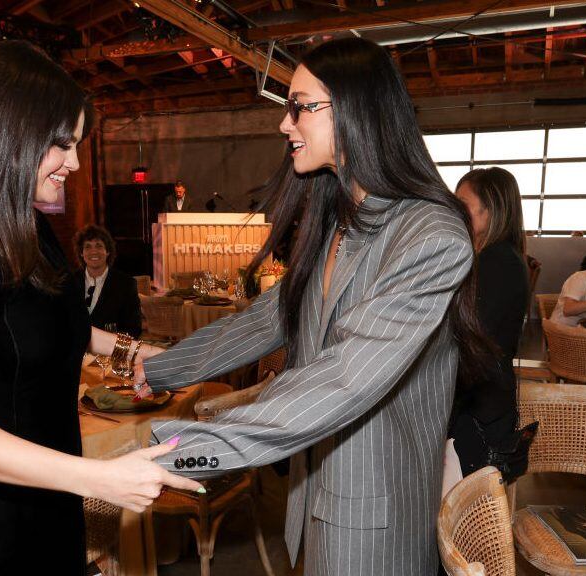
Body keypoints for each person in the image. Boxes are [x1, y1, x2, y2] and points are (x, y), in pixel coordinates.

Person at [134, 37, 492, 575]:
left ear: (353, 111)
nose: (286, 123)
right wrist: (158, 371)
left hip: (375, 513)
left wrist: (186, 451)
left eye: (300, 106)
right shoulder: (342, 220)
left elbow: (345, 377)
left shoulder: (430, 235)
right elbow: (264, 321)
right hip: (320, 488)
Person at [0, 41, 201, 575]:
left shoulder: (27, 223)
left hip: (46, 489)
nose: (75, 162)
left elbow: (59, 328)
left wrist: (137, 352)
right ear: (4, 132)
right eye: (60, 143)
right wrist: (99, 478)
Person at [444, 167, 529, 491]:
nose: (456, 211)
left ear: (490, 209)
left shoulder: (499, 262)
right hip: (480, 403)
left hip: (479, 412)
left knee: (466, 525)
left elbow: (470, 341)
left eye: (462, 203)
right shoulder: (493, 257)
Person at [73, 224, 142, 337]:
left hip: (110, 352)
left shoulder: (126, 284)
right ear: (81, 253)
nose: (93, 251)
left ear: (108, 251)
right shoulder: (70, 282)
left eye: (99, 246)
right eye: (88, 247)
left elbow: (134, 329)